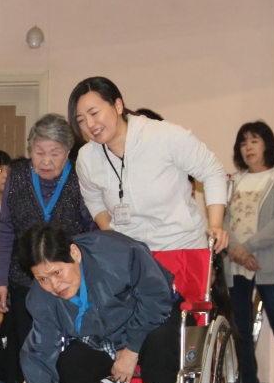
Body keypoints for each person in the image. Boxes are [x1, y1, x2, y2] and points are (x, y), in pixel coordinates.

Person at [19, 224, 180, 383]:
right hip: (101, 339)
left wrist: (131, 350)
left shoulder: (119, 254)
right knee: (69, 362)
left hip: (151, 319)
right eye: (42, 279)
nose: (54, 285)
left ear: (75, 253)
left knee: (161, 338)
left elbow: (156, 297)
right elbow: (40, 350)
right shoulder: (42, 298)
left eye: (57, 272)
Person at [67, 76, 229, 253]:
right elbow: (93, 199)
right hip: (135, 256)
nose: (90, 124)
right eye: (81, 119)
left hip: (183, 247)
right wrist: (116, 238)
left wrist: (216, 225)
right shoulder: (87, 157)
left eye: (94, 113)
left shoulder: (164, 136)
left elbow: (212, 171)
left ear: (118, 106)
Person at [0, 113, 95, 349]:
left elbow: (92, 230)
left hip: (69, 283)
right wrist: (0, 281)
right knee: (29, 346)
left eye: (55, 153)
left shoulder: (82, 175)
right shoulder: (16, 175)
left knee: (68, 347)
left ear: (68, 152)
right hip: (24, 280)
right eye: (39, 152)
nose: (46, 161)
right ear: (30, 150)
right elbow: (6, 228)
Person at [224, 121, 274, 383]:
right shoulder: (233, 181)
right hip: (236, 263)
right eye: (243, 143)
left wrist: (248, 248)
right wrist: (237, 251)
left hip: (268, 262)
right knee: (239, 328)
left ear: (267, 144)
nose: (248, 147)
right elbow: (223, 220)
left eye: (254, 141)